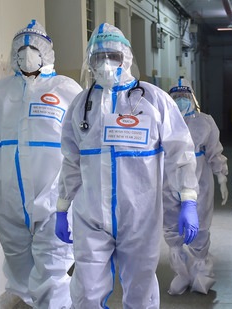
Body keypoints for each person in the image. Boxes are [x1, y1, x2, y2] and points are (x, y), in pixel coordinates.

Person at [55, 22, 199, 309]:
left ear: (126, 59)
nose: (106, 63)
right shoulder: (81, 105)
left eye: (113, 56)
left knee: (141, 290)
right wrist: (62, 206)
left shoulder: (153, 99)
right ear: (90, 62)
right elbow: (71, 159)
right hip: (91, 215)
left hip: (140, 217)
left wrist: (188, 199)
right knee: (86, 291)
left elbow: (180, 151)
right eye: (98, 57)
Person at [0, 19, 82, 309]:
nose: (27, 54)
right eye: (22, 48)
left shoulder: (66, 89)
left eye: (34, 48)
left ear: (48, 53)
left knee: (52, 271)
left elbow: (84, 139)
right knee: (20, 272)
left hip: (54, 199)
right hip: (8, 202)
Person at [163, 77, 229, 295]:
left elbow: (214, 151)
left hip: (199, 180)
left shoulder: (205, 121)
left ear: (192, 98)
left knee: (199, 227)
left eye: (184, 96)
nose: (181, 100)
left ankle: (202, 272)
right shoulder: (164, 120)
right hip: (168, 178)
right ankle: (181, 273)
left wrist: (221, 176)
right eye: (176, 96)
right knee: (172, 226)